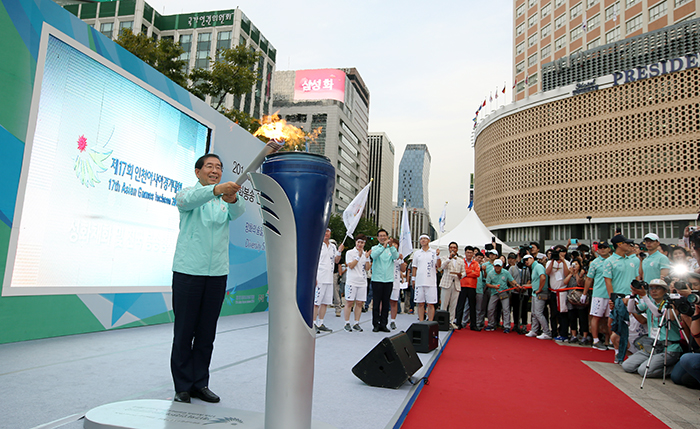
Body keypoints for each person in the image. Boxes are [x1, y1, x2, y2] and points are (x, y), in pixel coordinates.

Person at [170, 154, 245, 404]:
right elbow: (190, 200)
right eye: (210, 166)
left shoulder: (223, 201)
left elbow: (238, 211)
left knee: (206, 334)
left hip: (216, 275)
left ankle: (199, 383)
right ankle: (182, 386)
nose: (215, 170)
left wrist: (232, 198)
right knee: (184, 332)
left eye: (219, 168)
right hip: (188, 272)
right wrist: (216, 190)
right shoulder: (188, 195)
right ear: (197, 172)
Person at [622, 279, 683, 377]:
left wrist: (644, 296)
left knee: (643, 371)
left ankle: (674, 369)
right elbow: (631, 309)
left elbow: (657, 313)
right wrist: (633, 294)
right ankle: (652, 364)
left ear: (665, 290)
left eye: (657, 288)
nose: (654, 291)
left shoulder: (670, 304)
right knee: (627, 366)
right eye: (651, 288)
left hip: (668, 347)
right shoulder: (650, 303)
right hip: (652, 346)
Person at [604, 234, 640, 363]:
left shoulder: (633, 260)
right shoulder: (609, 261)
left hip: (632, 298)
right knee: (616, 327)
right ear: (619, 245)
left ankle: (631, 353)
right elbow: (608, 281)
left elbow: (636, 279)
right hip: (618, 299)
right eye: (626, 243)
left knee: (632, 327)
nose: (629, 246)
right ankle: (618, 352)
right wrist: (612, 298)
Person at [583, 241, 613, 350]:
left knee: (611, 318)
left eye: (605, 247)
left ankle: (610, 340)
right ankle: (595, 340)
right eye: (600, 248)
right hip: (598, 294)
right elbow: (589, 278)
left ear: (609, 249)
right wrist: (584, 294)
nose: (603, 249)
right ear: (597, 250)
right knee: (596, 317)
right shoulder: (594, 263)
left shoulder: (614, 260)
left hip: (611, 294)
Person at [370, 229, 400, 332]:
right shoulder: (374, 248)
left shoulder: (391, 249)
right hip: (377, 279)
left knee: (386, 304)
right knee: (376, 303)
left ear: (387, 237)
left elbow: (396, 257)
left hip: (388, 280)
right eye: (380, 236)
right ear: (378, 238)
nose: (383, 237)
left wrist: (391, 246)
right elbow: (373, 256)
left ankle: (384, 324)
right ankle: (375, 324)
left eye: (384, 236)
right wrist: (383, 247)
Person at [314, 229, 344, 333]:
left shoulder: (332, 246)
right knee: (316, 302)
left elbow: (336, 260)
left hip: (329, 278)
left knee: (325, 302)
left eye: (328, 232)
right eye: (324, 231)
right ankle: (313, 324)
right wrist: (314, 278)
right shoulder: (317, 245)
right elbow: (313, 262)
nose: (326, 233)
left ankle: (320, 322)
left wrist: (339, 251)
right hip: (319, 277)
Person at [343, 234, 371, 332]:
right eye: (358, 242)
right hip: (352, 281)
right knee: (349, 302)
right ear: (356, 242)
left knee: (359, 303)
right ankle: (347, 322)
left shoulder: (365, 254)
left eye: (362, 242)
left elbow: (367, 268)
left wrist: (367, 258)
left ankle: (356, 322)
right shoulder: (350, 252)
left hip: (362, 282)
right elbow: (350, 266)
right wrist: (358, 257)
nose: (360, 244)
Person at [412, 234, 441, 322]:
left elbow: (438, 266)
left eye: (425, 239)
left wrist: (438, 256)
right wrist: (413, 279)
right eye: (421, 239)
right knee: (420, 303)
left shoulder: (434, 252)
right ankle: (421, 321)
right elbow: (414, 267)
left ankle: (430, 322)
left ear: (428, 241)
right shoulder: (417, 253)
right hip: (419, 281)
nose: (423, 240)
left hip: (431, 282)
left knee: (431, 304)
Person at [485, 260, 517, 333]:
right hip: (494, 293)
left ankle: (506, 326)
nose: (497, 267)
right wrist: (494, 286)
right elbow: (487, 283)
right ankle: (491, 324)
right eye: (496, 266)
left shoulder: (505, 272)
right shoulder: (490, 273)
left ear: (502, 266)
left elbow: (511, 280)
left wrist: (516, 285)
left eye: (499, 266)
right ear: (494, 266)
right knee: (490, 308)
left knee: (506, 309)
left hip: (504, 293)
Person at [439, 241, 465, 329]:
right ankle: (442, 321)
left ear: (457, 249)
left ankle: (451, 321)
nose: (452, 249)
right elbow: (442, 267)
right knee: (444, 303)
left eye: (454, 247)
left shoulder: (460, 260)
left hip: (456, 283)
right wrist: (449, 258)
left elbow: (464, 271)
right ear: (449, 249)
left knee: (453, 305)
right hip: (446, 283)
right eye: (451, 247)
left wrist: (461, 275)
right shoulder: (445, 257)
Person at [546, 245, 570, 341]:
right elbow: (547, 272)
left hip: (562, 291)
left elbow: (567, 274)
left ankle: (563, 333)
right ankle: (554, 331)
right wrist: (553, 260)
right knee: (553, 313)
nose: (560, 253)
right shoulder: (549, 262)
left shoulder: (567, 263)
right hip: (553, 291)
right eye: (557, 252)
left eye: (562, 251)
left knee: (563, 314)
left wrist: (563, 261)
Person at [524, 254, 551, 340]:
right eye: (525, 260)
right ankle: (534, 330)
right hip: (536, 292)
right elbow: (538, 280)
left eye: (527, 259)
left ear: (532, 258)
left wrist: (540, 289)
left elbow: (543, 277)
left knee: (538, 313)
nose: (526, 262)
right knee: (534, 313)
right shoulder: (534, 267)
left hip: (540, 292)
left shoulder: (538, 266)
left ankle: (547, 332)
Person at [456, 246, 481, 330]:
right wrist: (471, 272)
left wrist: (466, 273)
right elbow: (460, 272)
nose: (469, 254)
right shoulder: (461, 262)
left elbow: (477, 274)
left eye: (471, 252)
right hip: (462, 285)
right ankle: (458, 323)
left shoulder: (476, 263)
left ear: (473, 253)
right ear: (465, 253)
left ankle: (473, 324)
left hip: (472, 286)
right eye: (468, 252)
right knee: (460, 305)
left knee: (472, 306)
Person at [509, 250, 531, 334]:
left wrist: (525, 286)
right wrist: (515, 286)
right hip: (515, 292)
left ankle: (524, 324)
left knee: (524, 309)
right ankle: (516, 323)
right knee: (515, 308)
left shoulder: (527, 269)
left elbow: (529, 279)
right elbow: (510, 279)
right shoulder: (513, 268)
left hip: (524, 292)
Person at [390, 238, 407, 330]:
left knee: (394, 301)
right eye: (392, 244)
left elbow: (403, 269)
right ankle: (381, 319)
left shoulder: (399, 256)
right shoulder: (387, 254)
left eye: (395, 244)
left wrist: (401, 260)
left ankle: (393, 320)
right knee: (383, 301)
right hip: (386, 280)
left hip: (396, 281)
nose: (394, 245)